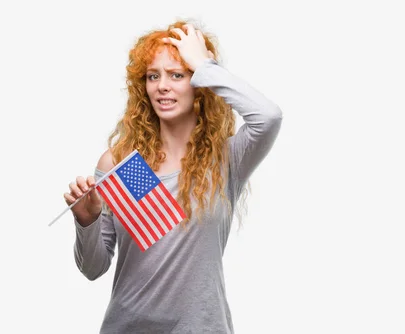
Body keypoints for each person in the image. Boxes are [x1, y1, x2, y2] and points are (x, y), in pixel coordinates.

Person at [64, 20, 283, 333]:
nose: (161, 86)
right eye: (153, 76)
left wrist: (205, 65)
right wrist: (87, 222)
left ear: (200, 84)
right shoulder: (124, 163)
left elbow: (268, 116)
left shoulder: (225, 159)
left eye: (177, 75)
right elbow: (93, 268)